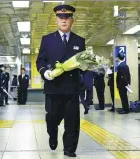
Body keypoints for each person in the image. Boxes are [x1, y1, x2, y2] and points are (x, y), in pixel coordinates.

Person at [36, 5, 85, 157]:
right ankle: (52, 133)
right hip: (53, 87)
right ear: (56, 20)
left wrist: (87, 66)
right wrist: (45, 72)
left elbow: (84, 63)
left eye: (67, 17)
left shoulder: (79, 41)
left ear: (72, 21)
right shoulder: (47, 40)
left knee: (72, 121)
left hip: (72, 88)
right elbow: (40, 61)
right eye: (60, 18)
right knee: (52, 117)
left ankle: (69, 149)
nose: (64, 20)